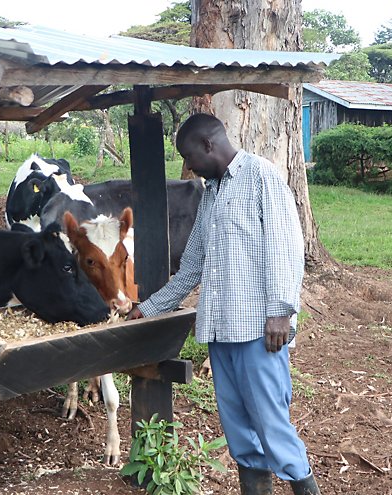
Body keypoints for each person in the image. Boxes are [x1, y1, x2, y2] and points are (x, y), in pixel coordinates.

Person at [127, 113, 320, 495]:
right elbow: (191, 267)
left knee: (271, 423)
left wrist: (281, 311)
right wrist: (149, 307)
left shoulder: (261, 177)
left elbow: (286, 247)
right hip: (222, 329)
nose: (189, 167)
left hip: (261, 331)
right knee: (237, 427)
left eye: (189, 157)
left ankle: (305, 487)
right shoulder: (212, 194)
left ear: (208, 145)